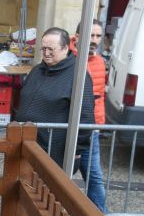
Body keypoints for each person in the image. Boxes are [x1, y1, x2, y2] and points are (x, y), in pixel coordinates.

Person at [13, 28, 96, 178]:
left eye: (51, 49)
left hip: (54, 151)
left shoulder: (78, 76)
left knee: (47, 189)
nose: (46, 53)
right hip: (26, 145)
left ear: (65, 48)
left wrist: (76, 150)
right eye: (43, 48)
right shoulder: (37, 70)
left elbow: (86, 116)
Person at [69, 20, 108, 212]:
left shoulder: (99, 61)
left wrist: (99, 123)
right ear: (78, 36)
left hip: (91, 127)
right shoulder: (69, 57)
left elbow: (99, 96)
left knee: (94, 176)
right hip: (70, 126)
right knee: (61, 173)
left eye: (98, 36)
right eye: (91, 35)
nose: (94, 40)